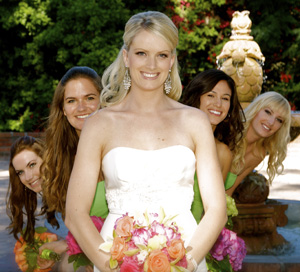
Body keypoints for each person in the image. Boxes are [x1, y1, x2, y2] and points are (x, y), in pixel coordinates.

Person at [65, 11, 227, 272]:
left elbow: (217, 209)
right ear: (126, 57)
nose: (152, 65)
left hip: (184, 257)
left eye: (162, 55)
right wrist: (113, 267)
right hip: (115, 260)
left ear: (171, 60)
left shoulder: (196, 121)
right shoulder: (98, 124)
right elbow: (75, 213)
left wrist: (186, 264)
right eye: (142, 53)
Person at [42, 66, 109, 224]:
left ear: (102, 100)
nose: (81, 108)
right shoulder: (57, 158)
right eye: (71, 101)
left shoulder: (120, 150)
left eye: (90, 98)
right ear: (63, 109)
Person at [181, 69, 244, 223]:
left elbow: (212, 212)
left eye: (225, 98)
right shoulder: (174, 138)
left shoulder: (223, 153)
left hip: (194, 236)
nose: (218, 104)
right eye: (211, 95)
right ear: (197, 97)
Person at [6, 136, 68, 270]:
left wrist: (62, 246)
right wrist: (53, 257)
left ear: (46, 158)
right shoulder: (51, 199)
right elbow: (67, 251)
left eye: (32, 165)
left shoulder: (70, 189)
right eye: (20, 172)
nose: (27, 177)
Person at [226, 91, 291, 196]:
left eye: (279, 120)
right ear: (256, 108)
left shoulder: (258, 153)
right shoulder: (228, 132)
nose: (271, 122)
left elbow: (228, 192)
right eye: (268, 112)